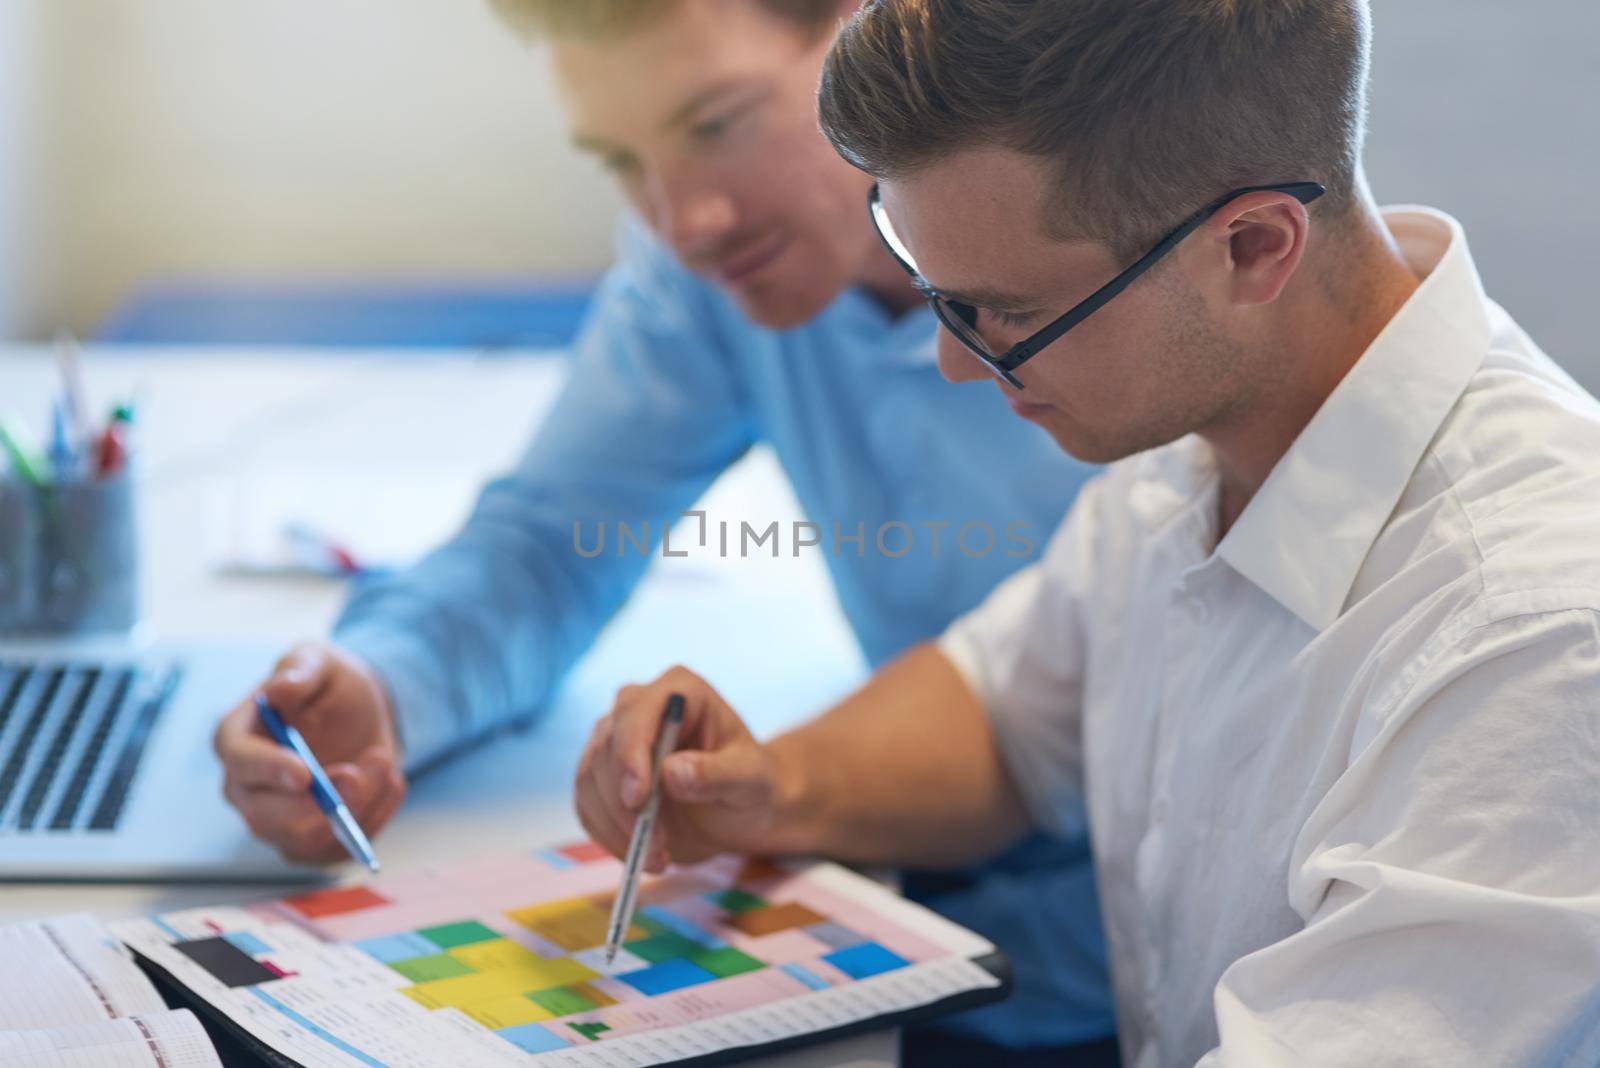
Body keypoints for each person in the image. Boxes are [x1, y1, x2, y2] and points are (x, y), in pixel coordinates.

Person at [574, 0, 1600, 1064]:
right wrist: (762, 789)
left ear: (1251, 247)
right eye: (937, 296)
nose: (957, 364)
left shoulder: (1535, 644)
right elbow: (1009, 714)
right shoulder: (1199, 423)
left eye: (1005, 313)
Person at [210, 0, 1117, 1061]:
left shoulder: (1136, 278)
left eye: (717, 123)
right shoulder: (716, 271)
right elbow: (552, 538)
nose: (683, 220)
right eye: (619, 159)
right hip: (925, 871)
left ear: (882, 31)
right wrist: (384, 686)